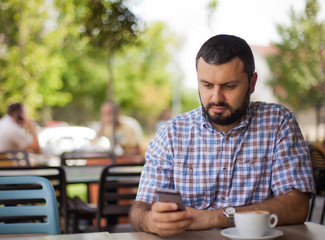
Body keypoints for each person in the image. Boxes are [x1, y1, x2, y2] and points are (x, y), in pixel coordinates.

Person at [129, 34, 315, 237]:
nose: (216, 98)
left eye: (229, 86)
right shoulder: (171, 134)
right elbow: (140, 208)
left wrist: (214, 217)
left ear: (252, 83)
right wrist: (150, 221)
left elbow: (297, 206)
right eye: (207, 85)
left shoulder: (279, 122)